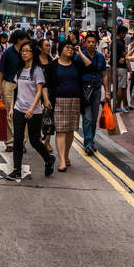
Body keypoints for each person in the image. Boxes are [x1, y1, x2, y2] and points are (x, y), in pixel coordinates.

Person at [7, 39, 54, 182]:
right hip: (19, 109)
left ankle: (48, 159)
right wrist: (11, 108)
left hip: (34, 111)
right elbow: (17, 90)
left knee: (34, 141)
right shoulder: (20, 69)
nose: (25, 53)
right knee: (18, 140)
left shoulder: (37, 70)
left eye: (28, 51)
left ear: (33, 53)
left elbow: (39, 91)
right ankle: (16, 170)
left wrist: (32, 108)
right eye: (23, 51)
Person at [45, 38, 88, 172]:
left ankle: (66, 155)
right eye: (67, 47)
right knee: (61, 130)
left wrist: (80, 53)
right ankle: (62, 161)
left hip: (75, 101)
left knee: (70, 131)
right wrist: (46, 100)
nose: (70, 50)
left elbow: (90, 65)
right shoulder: (53, 65)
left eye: (72, 48)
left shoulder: (76, 64)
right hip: (58, 101)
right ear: (60, 49)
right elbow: (46, 85)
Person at [80, 31, 107, 155]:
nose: (90, 44)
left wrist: (107, 91)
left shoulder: (100, 57)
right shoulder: (80, 55)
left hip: (96, 90)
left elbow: (104, 75)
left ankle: (90, 142)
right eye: (88, 42)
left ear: (97, 43)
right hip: (84, 90)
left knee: (94, 118)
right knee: (87, 117)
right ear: (85, 43)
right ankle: (88, 143)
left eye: (93, 42)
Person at [0, 30, 24, 149]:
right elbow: (1, 71)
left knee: (24, 114)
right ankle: (9, 142)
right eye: (25, 39)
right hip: (8, 85)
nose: (27, 41)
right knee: (9, 113)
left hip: (24, 86)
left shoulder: (27, 52)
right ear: (19, 40)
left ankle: (21, 142)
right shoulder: (8, 53)